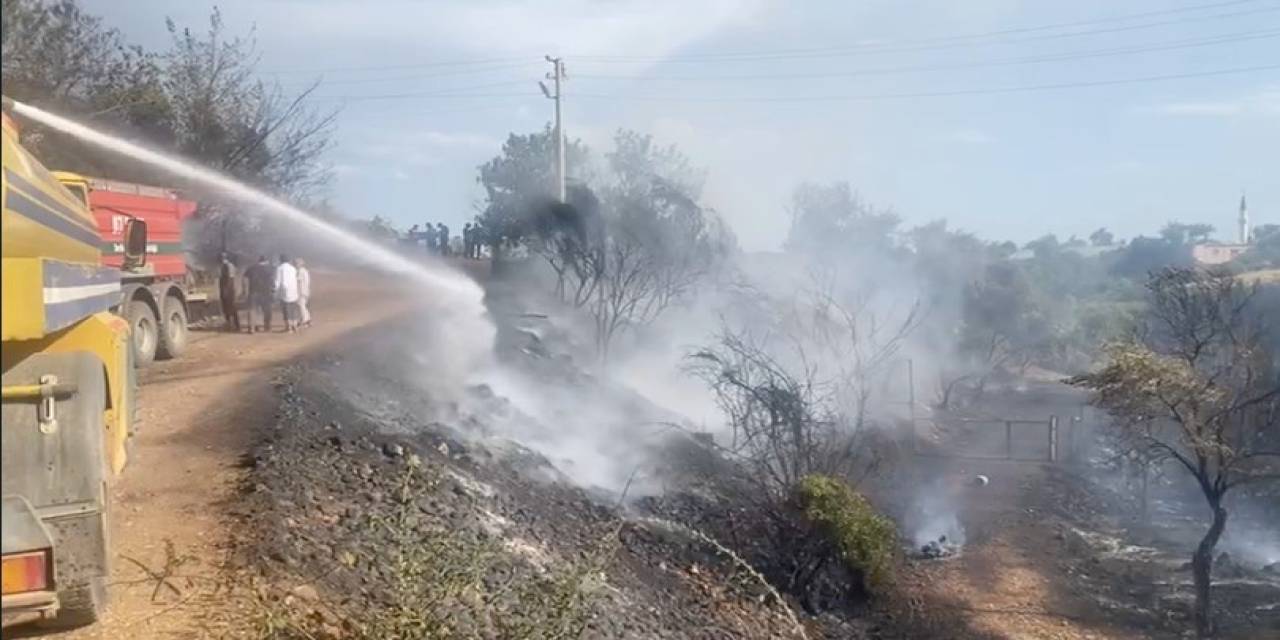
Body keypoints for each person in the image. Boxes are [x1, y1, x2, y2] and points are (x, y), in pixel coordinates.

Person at [244, 255, 275, 333]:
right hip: (266, 292)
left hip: (253, 291)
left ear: (259, 261)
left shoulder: (251, 268)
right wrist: (273, 290)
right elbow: (272, 280)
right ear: (266, 261)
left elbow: (244, 279)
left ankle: (252, 328)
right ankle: (267, 327)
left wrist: (244, 291)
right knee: (267, 310)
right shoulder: (270, 269)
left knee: (252, 310)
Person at [274, 254, 300, 333]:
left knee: (286, 310)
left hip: (284, 292)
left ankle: (289, 327)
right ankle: (295, 325)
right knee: (293, 309)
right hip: (294, 291)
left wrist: (275, 290)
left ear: (280, 260)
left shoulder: (280, 268)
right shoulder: (293, 268)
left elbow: (277, 281)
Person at [218, 252, 241, 332]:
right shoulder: (224, 266)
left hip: (228, 290)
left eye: (222, 257)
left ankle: (236, 325)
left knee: (232, 308)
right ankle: (229, 324)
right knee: (226, 308)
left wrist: (225, 290)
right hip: (226, 289)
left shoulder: (228, 266)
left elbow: (229, 279)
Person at [295, 257, 312, 329]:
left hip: (301, 291)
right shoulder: (305, 271)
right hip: (305, 290)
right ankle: (307, 319)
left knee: (302, 306)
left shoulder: (300, 271)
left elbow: (297, 280)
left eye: (296, 263)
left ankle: (305, 321)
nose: (295, 265)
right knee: (303, 306)